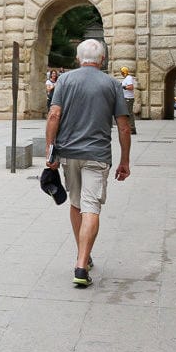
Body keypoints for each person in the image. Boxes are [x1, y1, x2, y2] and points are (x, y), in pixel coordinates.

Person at [45, 39, 131, 287]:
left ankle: (83, 255)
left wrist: (50, 150)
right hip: (97, 154)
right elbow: (123, 127)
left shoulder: (64, 80)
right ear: (102, 60)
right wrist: (124, 160)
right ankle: (82, 264)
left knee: (76, 203)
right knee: (91, 206)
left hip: (68, 153)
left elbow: (54, 114)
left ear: (77, 58)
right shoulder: (112, 84)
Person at [119, 66, 138, 134]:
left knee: (129, 114)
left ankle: (132, 129)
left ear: (124, 72)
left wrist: (123, 87)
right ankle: (130, 128)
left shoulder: (129, 78)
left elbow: (131, 87)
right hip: (126, 98)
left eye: (121, 72)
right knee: (127, 113)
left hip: (128, 98)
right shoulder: (126, 78)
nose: (121, 73)